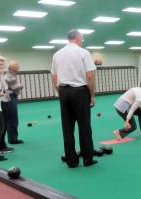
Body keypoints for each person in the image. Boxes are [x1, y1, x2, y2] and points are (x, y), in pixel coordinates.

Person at [51, 29, 97, 168]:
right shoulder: (83, 52)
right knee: (84, 127)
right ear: (78, 38)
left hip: (64, 92)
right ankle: (88, 159)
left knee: (67, 128)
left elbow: (54, 77)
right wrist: (92, 95)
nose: (82, 40)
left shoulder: (57, 54)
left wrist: (61, 92)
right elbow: (90, 76)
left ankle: (71, 161)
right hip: (80, 92)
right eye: (82, 38)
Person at [0, 54, 14, 153]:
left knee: (4, 125)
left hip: (5, 100)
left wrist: (2, 74)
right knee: (0, 126)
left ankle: (2, 145)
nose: (1, 65)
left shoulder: (1, 74)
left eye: (3, 63)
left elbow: (5, 87)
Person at [2, 60, 24, 145]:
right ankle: (13, 139)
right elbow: (16, 90)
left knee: (8, 119)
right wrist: (20, 86)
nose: (18, 67)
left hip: (6, 99)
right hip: (10, 98)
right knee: (12, 119)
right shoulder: (11, 77)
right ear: (13, 68)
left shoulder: (8, 75)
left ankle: (11, 138)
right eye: (17, 65)